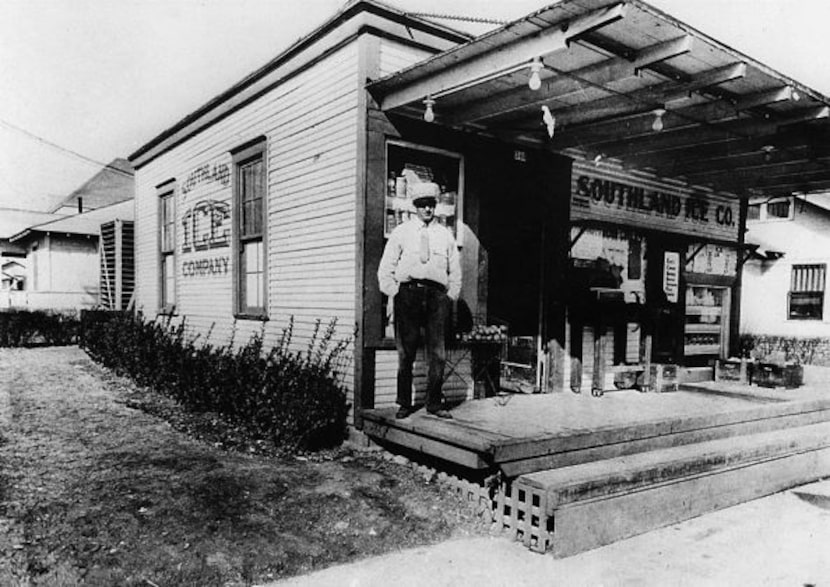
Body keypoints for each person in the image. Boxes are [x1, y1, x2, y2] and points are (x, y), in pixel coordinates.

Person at [377, 193, 462, 419]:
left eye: (431, 205)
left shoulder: (445, 235)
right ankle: (404, 403)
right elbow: (386, 267)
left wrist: (450, 295)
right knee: (406, 353)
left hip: (436, 297)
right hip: (408, 294)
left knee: (439, 353)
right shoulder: (401, 232)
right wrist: (396, 292)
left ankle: (434, 403)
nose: (427, 209)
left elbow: (455, 269)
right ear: (415, 207)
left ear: (435, 207)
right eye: (422, 205)